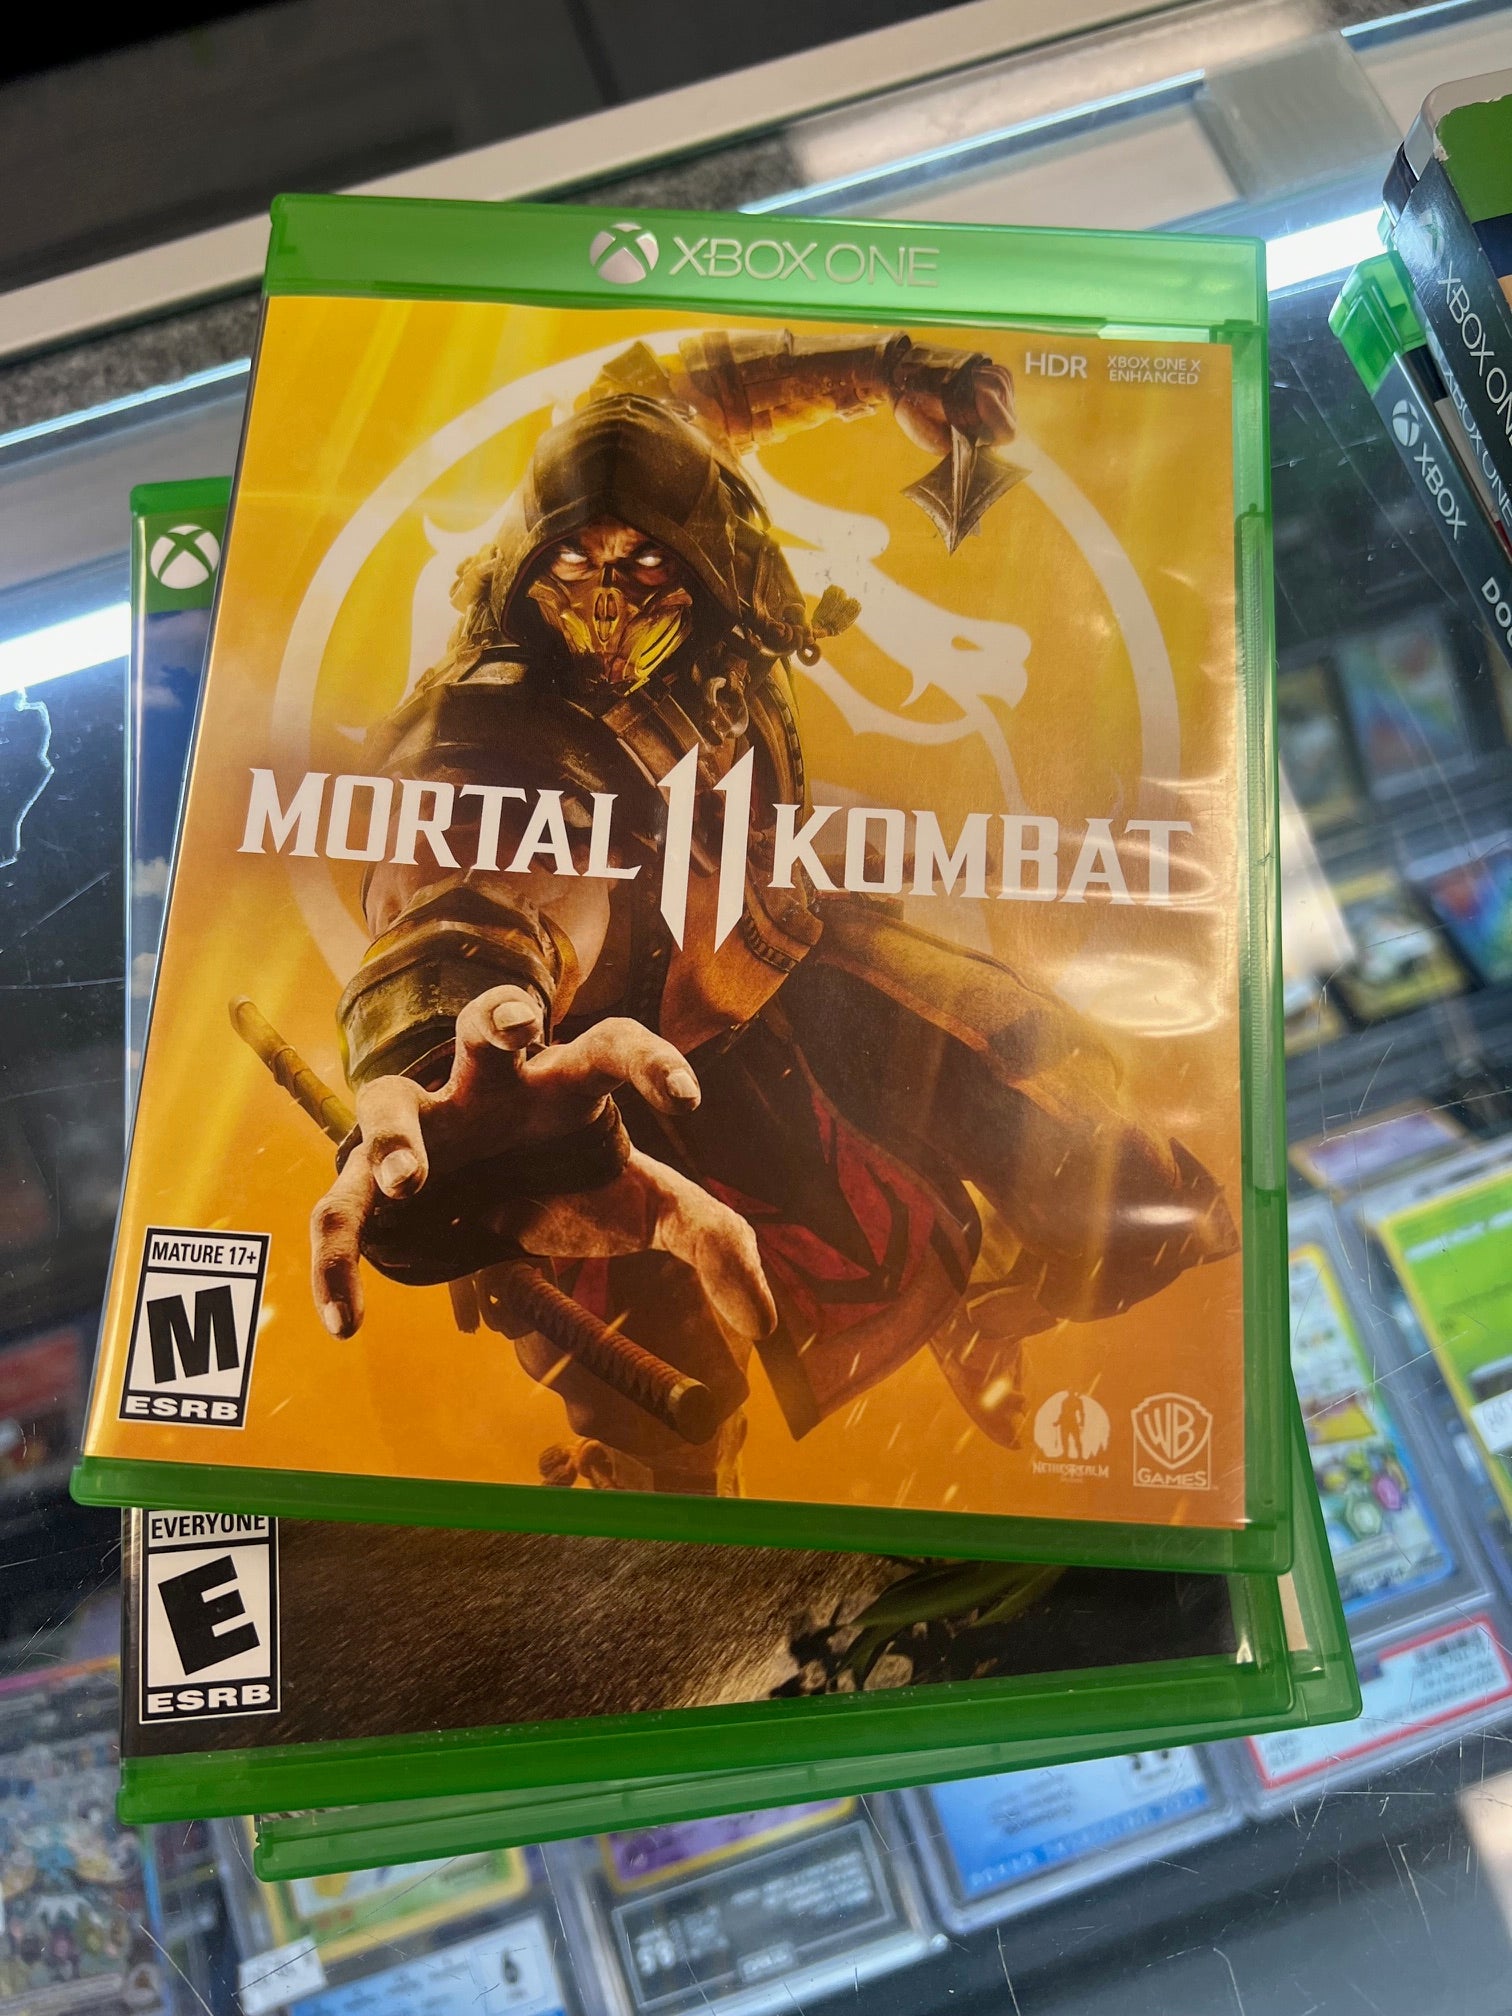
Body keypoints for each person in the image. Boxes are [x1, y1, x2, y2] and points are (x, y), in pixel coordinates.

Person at [308, 327, 1237, 1495]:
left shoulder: (655, 473)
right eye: (575, 563)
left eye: (643, 566)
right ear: (527, 566)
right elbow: (474, 887)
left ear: (703, 556)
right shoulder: (491, 722)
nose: (605, 601)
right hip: (621, 1073)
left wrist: (885, 373)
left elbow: (710, 391)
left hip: (780, 948)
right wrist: (439, 1060)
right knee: (661, 1408)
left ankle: (983, 1292)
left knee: (1107, 1167)